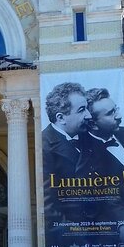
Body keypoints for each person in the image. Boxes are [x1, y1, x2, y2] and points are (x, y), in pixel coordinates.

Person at [85, 87, 124, 246]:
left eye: (116, 110)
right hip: (116, 231)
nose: (119, 116)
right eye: (110, 113)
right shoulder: (84, 153)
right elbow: (107, 194)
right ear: (93, 124)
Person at [42, 82, 93, 219]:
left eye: (87, 108)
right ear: (61, 118)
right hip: (72, 234)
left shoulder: (91, 138)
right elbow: (49, 207)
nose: (89, 115)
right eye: (82, 110)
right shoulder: (44, 146)